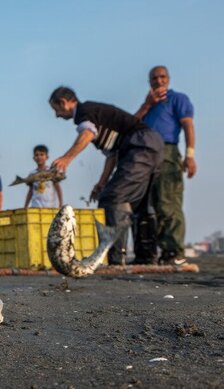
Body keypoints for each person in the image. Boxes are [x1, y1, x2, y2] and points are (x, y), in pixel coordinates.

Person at [48, 87, 164, 265]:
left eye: (55, 110)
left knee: (112, 198)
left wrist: (66, 158)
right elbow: (112, 155)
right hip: (149, 145)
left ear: (63, 102)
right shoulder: (95, 116)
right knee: (140, 204)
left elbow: (87, 134)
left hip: (139, 145)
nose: (56, 116)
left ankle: (117, 258)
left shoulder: (84, 112)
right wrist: (101, 183)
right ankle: (146, 258)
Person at [134, 66, 196, 265]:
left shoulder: (178, 99)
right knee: (151, 205)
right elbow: (131, 125)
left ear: (168, 79)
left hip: (167, 152)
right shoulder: (149, 105)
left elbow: (188, 125)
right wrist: (146, 105)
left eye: (162, 77)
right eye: (154, 78)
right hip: (145, 155)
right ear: (149, 82)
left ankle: (175, 251)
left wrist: (190, 155)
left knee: (168, 202)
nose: (158, 81)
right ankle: (162, 251)